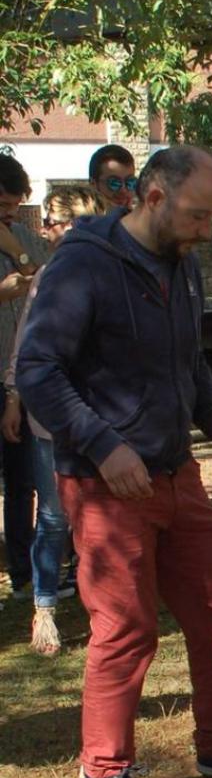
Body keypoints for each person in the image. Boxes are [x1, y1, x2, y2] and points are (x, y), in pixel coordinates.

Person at [16, 146, 212, 778]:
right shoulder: (82, 265)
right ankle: (103, 776)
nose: (206, 229)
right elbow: (37, 371)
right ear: (151, 197)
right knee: (126, 627)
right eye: (198, 215)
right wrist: (103, 444)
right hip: (105, 485)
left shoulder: (183, 262)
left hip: (178, 474)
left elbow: (188, 364)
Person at [3, 185, 105, 653]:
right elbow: (26, 346)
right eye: (51, 224)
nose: (50, 231)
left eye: (55, 223)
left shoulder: (111, 270)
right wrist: (13, 397)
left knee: (99, 516)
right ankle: (44, 609)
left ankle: (103, 607)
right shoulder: (47, 275)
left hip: (103, 416)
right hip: (53, 418)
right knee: (53, 515)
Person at [0, 153, 43, 604]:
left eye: (14, 204)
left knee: (23, 481)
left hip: (18, 382)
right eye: (1, 204)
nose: (8, 213)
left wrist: (16, 248)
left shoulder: (26, 237)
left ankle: (23, 572)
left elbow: (44, 282)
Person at [88, 144, 137, 211]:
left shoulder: (143, 220)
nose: (123, 190)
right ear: (94, 185)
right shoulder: (80, 220)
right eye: (115, 183)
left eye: (130, 182)